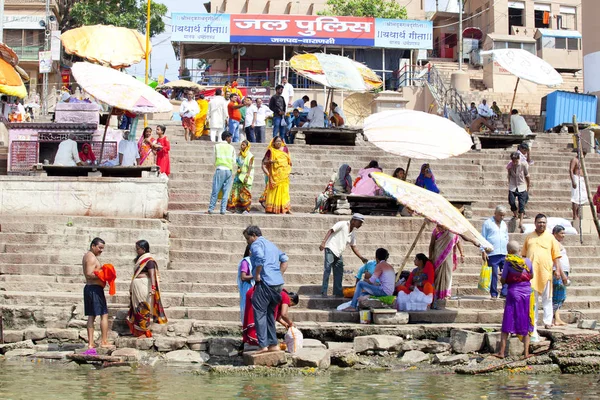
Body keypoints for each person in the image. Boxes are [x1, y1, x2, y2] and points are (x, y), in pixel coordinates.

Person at [243, 225, 289, 353]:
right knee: (270, 313)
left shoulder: (256, 244)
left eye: (247, 239)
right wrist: (278, 275)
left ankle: (263, 345)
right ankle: (273, 344)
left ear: (253, 236)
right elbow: (285, 260)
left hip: (265, 282)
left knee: (259, 312)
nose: (247, 242)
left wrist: (257, 274)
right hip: (277, 284)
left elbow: (260, 259)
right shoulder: (271, 245)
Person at [522, 214, 562, 337]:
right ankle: (532, 321)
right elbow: (524, 256)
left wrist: (558, 270)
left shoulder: (550, 238)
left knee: (547, 298)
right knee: (533, 300)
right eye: (539, 222)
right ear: (535, 223)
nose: (542, 224)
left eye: (544, 222)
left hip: (546, 272)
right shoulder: (529, 237)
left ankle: (548, 321)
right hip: (531, 274)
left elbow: (556, 257)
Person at [493, 241, 534, 359]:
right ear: (519, 250)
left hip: (513, 291)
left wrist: (505, 278)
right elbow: (531, 276)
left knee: (508, 319)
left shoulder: (509, 262)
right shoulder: (528, 261)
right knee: (526, 319)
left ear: (508, 251)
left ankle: (501, 352)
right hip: (527, 292)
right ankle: (526, 353)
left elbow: (504, 279)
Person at [319, 214, 368, 297]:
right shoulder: (343, 224)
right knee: (327, 270)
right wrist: (323, 242)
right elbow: (331, 230)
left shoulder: (353, 233)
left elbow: (353, 246)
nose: (360, 225)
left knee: (339, 272)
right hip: (330, 248)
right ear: (354, 220)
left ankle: (337, 292)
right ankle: (324, 292)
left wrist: (361, 258)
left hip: (338, 253)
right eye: (359, 222)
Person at [127, 240, 168, 337]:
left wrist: (153, 288)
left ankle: (144, 332)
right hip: (137, 286)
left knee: (143, 307)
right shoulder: (140, 260)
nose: (136, 251)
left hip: (143, 285)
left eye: (138, 249)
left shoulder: (149, 261)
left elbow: (152, 275)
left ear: (144, 249)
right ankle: (139, 331)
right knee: (137, 308)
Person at [343, 248, 396, 312]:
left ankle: (353, 306)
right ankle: (357, 304)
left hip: (383, 292)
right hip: (389, 291)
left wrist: (365, 280)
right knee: (363, 293)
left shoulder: (379, 265)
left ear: (376, 258)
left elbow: (371, 281)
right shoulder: (390, 266)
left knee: (360, 283)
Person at [82, 238, 109, 350]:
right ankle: (103, 341)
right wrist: (103, 275)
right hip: (94, 289)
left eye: (102, 248)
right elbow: (88, 274)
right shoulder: (91, 257)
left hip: (91, 288)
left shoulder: (89, 256)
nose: (101, 250)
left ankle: (91, 343)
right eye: (100, 248)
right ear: (93, 246)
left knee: (92, 316)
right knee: (104, 314)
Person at [429, 225, 464, 306]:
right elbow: (431, 245)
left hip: (448, 257)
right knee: (437, 276)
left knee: (447, 275)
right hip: (437, 257)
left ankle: (445, 294)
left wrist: (462, 254)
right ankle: (437, 293)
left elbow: (458, 241)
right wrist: (430, 257)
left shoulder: (453, 231)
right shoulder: (436, 231)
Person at [481, 205, 509, 299]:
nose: (502, 217)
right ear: (495, 213)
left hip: (504, 252)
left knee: (505, 272)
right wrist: (483, 251)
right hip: (492, 252)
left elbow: (506, 237)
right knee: (494, 274)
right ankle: (493, 293)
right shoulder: (488, 223)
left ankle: (504, 292)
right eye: (500, 215)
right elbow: (482, 238)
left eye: (503, 215)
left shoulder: (504, 224)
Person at [260, 137, 292, 214]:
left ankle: (286, 208)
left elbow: (289, 162)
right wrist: (269, 163)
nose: (278, 143)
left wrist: (287, 171)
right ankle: (272, 209)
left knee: (285, 192)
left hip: (284, 175)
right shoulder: (270, 151)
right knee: (273, 191)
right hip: (274, 176)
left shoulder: (285, 149)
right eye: (277, 141)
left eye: (280, 141)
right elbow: (263, 164)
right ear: (273, 143)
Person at [208, 131, 236, 215]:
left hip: (220, 169)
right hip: (228, 170)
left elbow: (213, 159)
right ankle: (223, 210)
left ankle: (211, 208)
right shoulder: (231, 148)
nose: (231, 139)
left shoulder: (217, 146)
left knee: (215, 190)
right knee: (226, 191)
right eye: (230, 137)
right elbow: (234, 161)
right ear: (226, 137)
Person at [227, 140, 254, 214]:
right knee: (236, 192)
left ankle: (246, 209)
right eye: (241, 145)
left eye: (244, 145)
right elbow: (237, 163)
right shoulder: (239, 155)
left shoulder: (250, 156)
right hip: (238, 176)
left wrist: (247, 176)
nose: (242, 146)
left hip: (246, 177)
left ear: (247, 146)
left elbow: (250, 166)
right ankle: (237, 208)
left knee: (245, 194)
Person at [552, 225, 571, 326]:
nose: (563, 235)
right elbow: (557, 259)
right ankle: (555, 318)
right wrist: (562, 274)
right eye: (561, 233)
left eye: (564, 233)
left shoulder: (557, 243)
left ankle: (557, 318)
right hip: (558, 272)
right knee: (558, 296)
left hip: (561, 271)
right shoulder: (555, 243)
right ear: (555, 234)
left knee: (560, 296)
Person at [507, 151, 530, 233]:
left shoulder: (523, 165)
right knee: (511, 201)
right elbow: (509, 174)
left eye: (516, 160)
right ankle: (515, 214)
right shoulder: (510, 165)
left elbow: (527, 176)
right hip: (513, 186)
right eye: (513, 160)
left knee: (521, 204)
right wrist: (509, 182)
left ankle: (521, 221)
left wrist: (528, 186)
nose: (514, 162)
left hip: (522, 185)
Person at [238, 245, 254, 324]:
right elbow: (243, 277)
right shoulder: (246, 262)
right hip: (248, 288)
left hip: (256, 288)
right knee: (248, 309)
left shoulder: (257, 261)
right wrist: (255, 276)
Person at [570, 151, 588, 222]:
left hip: (582, 179)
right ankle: (575, 215)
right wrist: (573, 181)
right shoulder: (574, 160)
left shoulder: (582, 160)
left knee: (583, 197)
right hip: (576, 178)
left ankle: (578, 214)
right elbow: (571, 170)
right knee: (576, 197)